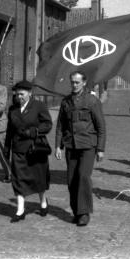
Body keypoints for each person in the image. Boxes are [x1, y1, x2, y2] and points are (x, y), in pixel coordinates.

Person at [55, 71, 106, 226]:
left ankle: (84, 213)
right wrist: (58, 146)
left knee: (83, 176)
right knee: (71, 180)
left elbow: (101, 126)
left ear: (84, 83)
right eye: (72, 82)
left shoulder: (92, 101)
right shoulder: (66, 102)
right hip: (71, 145)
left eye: (77, 82)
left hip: (87, 145)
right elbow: (60, 126)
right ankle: (76, 211)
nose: (74, 85)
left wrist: (100, 148)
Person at [3, 80, 52, 223]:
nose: (19, 97)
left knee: (39, 177)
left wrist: (35, 131)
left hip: (35, 149)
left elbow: (47, 124)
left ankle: (43, 201)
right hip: (18, 149)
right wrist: (7, 148)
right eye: (17, 94)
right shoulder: (13, 109)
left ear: (30, 93)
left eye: (22, 94)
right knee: (18, 179)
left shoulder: (39, 106)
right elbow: (10, 130)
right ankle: (20, 209)